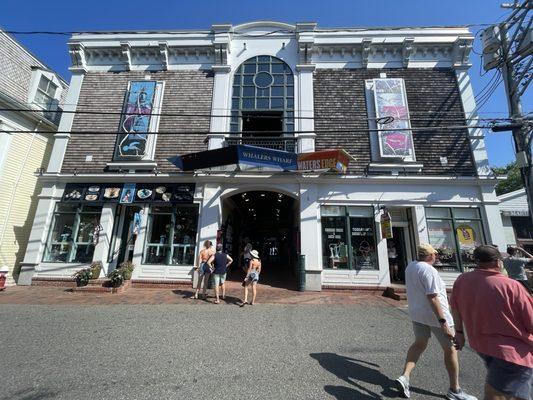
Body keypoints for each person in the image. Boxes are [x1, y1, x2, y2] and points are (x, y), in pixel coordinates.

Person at [451, 245, 532, 400]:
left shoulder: (462, 280)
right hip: (513, 351)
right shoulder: (511, 286)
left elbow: (455, 307)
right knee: (496, 393)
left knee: (513, 392)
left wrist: (459, 333)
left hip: (483, 345)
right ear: (498, 262)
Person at [395, 244, 476, 400]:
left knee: (419, 343)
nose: (436, 256)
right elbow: (433, 297)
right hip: (436, 316)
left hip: (417, 314)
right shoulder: (429, 270)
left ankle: (405, 376)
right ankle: (455, 390)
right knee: (450, 350)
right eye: (435, 254)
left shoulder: (410, 266)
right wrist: (443, 322)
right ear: (429, 255)